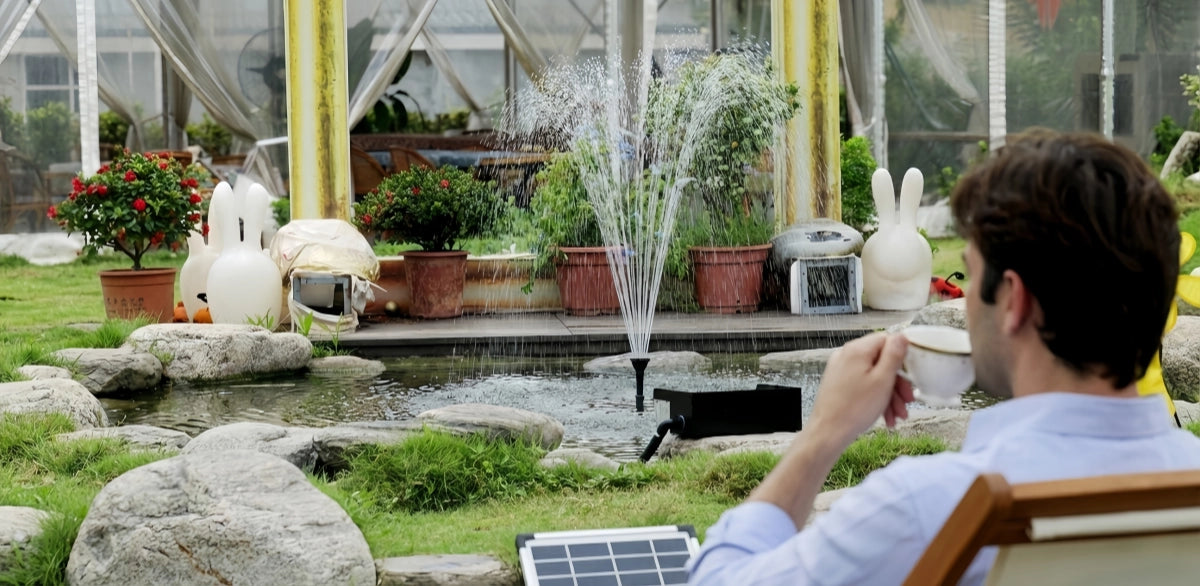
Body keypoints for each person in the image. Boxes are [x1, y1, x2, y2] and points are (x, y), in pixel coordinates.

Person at [687, 129, 1200, 586]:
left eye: (972, 277)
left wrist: (822, 435)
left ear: (1014, 302)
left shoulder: (926, 507)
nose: (964, 297)